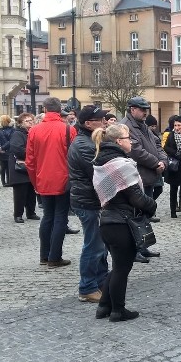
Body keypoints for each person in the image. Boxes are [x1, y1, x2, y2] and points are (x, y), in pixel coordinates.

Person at [92, 124, 157, 321]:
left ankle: (104, 306)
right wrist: (152, 205)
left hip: (107, 222)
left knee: (119, 265)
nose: (132, 141)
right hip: (121, 223)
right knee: (122, 268)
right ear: (119, 141)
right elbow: (136, 197)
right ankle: (118, 310)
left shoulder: (100, 162)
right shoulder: (120, 164)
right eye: (129, 138)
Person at [26, 97, 76, 269]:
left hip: (43, 178)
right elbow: (73, 158)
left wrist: (35, 182)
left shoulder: (34, 130)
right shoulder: (68, 130)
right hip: (63, 179)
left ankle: (44, 255)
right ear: (59, 110)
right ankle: (55, 256)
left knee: (48, 216)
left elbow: (30, 161)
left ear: (45, 109)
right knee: (60, 217)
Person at [67, 105, 110, 302]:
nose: (104, 122)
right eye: (100, 120)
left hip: (92, 199)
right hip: (87, 201)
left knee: (100, 243)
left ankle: (101, 280)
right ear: (88, 123)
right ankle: (87, 287)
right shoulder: (84, 145)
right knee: (93, 245)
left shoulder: (89, 140)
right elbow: (98, 173)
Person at [120, 97, 167, 261]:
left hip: (148, 176)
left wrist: (163, 161)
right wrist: (156, 163)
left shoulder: (143, 125)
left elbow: (157, 144)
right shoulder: (126, 126)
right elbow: (136, 151)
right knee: (135, 215)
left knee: (144, 214)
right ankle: (135, 250)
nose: (145, 112)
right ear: (132, 110)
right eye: (142, 109)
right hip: (136, 176)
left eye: (146, 108)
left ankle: (143, 245)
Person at [8, 113, 38, 226]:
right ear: (20, 123)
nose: (30, 123)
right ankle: (18, 214)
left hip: (30, 167)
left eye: (32, 120)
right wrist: (33, 154)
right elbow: (18, 149)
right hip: (20, 167)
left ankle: (31, 212)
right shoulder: (18, 134)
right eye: (27, 121)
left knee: (31, 191)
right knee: (20, 192)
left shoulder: (33, 133)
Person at [0, 115, 14, 186]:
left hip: (9, 151)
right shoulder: (0, 129)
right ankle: (3, 182)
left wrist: (3, 148)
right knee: (2, 167)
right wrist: (0, 148)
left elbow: (11, 141)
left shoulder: (12, 129)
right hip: (1, 152)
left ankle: (9, 181)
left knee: (9, 167)